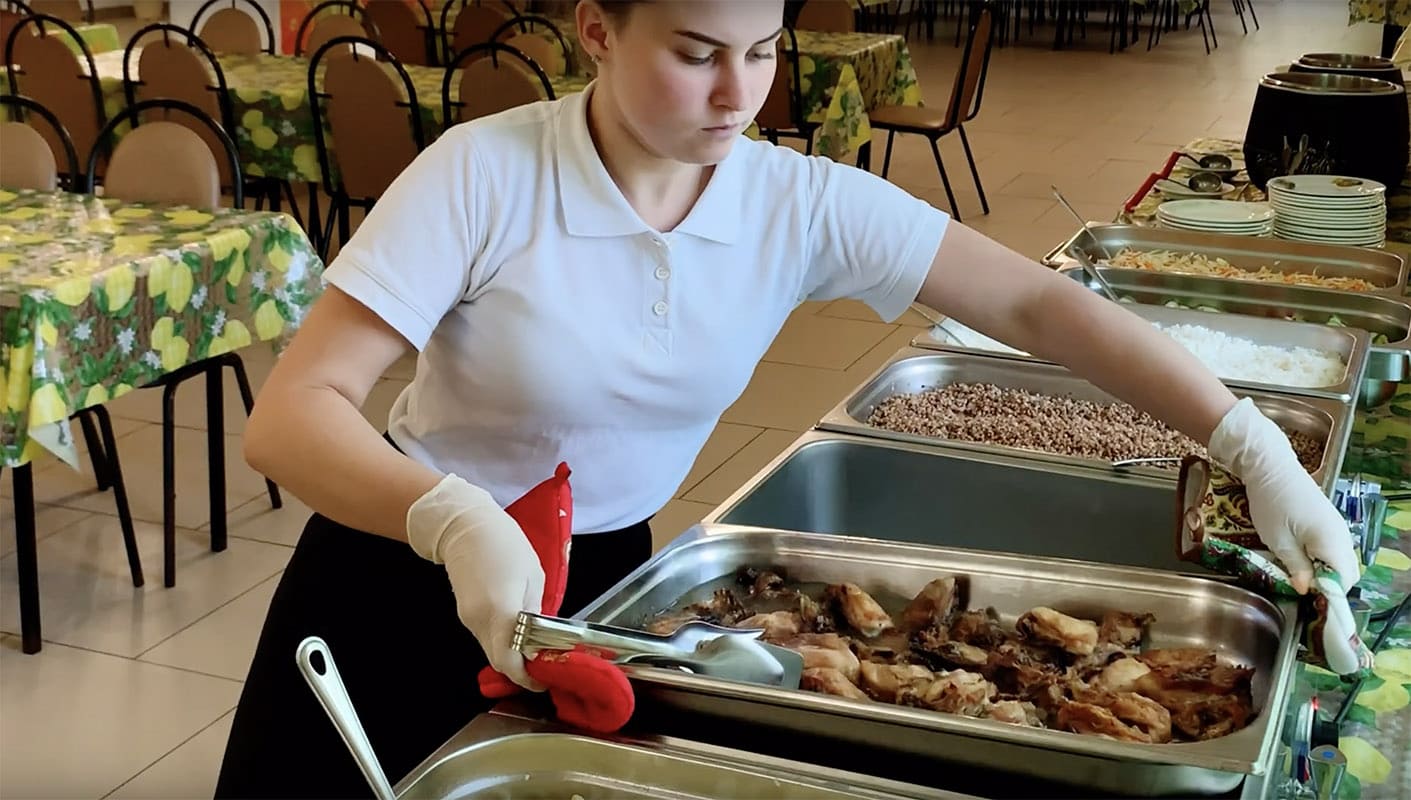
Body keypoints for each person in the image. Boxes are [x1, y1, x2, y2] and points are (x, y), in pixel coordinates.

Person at [214, 1, 1361, 796]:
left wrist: (1246, 439)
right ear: (598, 31)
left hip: (603, 582)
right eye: (697, 51)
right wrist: (451, 514)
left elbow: (1033, 305)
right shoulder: (485, 172)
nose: (736, 95)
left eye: (762, 52)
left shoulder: (792, 201)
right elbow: (295, 409)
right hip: (393, 565)